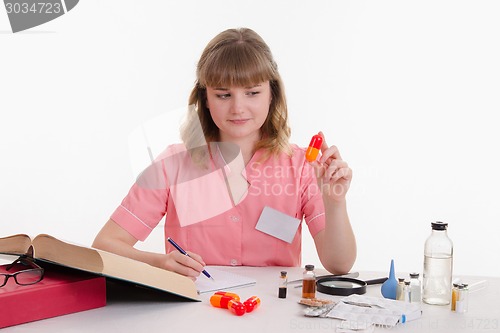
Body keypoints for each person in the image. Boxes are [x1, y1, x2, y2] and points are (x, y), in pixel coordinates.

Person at [92, 27, 356, 280]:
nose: (238, 108)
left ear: (271, 95)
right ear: (205, 98)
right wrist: (159, 264)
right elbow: (105, 245)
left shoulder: (302, 167)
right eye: (223, 95)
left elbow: (339, 264)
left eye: (252, 92)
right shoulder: (173, 165)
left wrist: (335, 202)